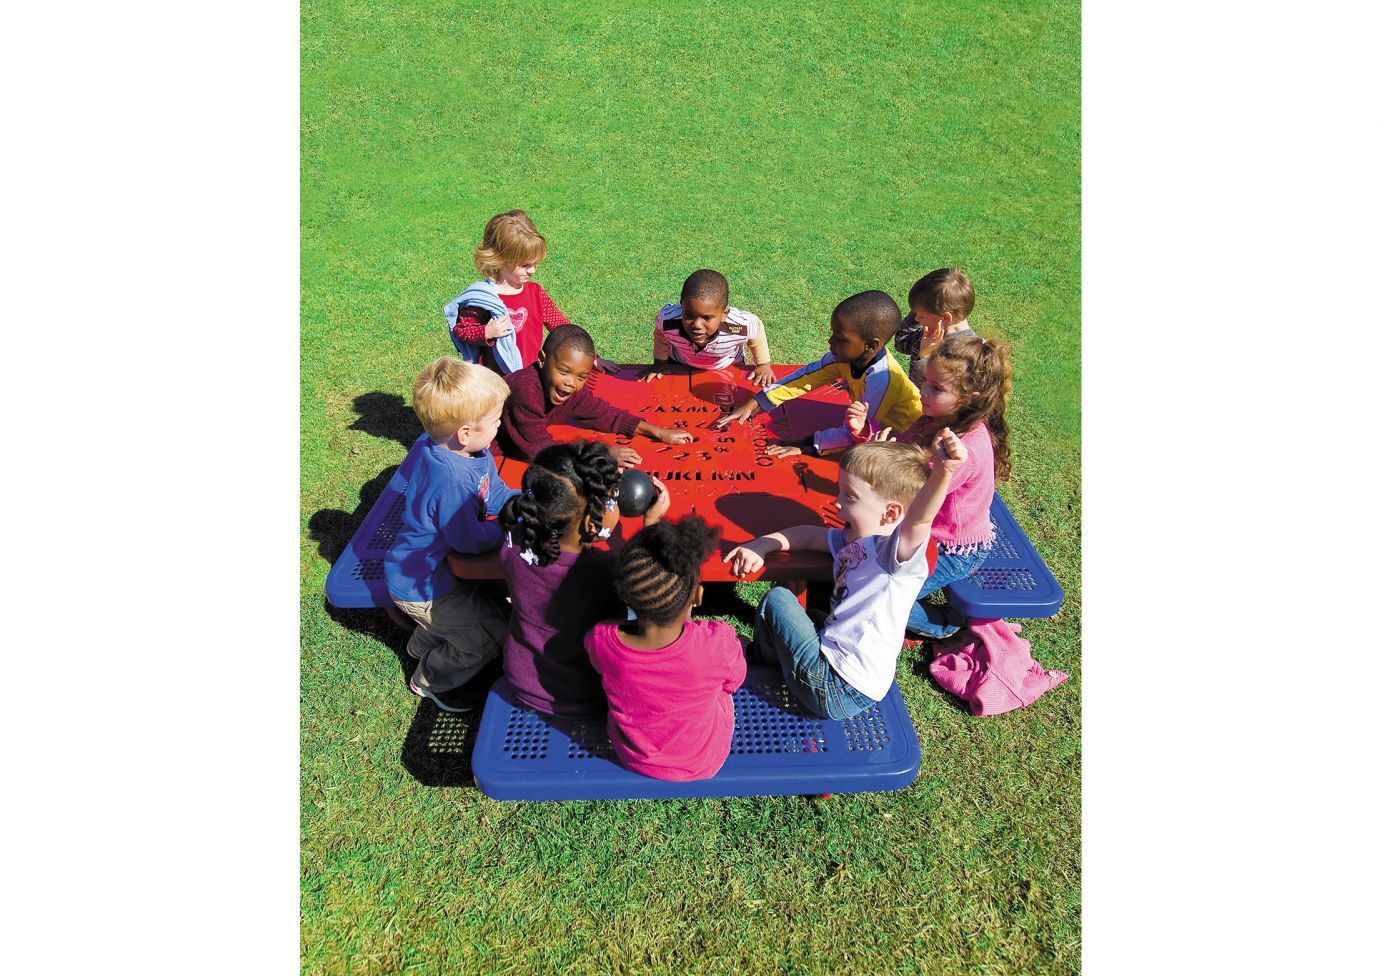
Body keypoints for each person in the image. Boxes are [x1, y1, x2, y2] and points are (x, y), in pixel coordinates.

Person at [723, 434, 967, 719]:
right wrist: (763, 544)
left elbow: (919, 520)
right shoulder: (861, 540)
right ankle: (770, 660)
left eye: (849, 496)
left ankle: (754, 660)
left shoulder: (895, 559)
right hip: (846, 680)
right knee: (813, 615)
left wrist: (943, 471)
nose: (837, 502)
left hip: (836, 685)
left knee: (779, 599)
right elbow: (810, 536)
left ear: (891, 513)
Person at [496, 440, 672, 718]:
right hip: (586, 695)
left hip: (522, 678)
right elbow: (654, 589)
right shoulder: (605, 571)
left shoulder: (513, 540)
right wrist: (652, 526)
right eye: (612, 498)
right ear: (592, 523)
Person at [384, 357, 520, 712]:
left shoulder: (469, 451)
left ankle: (421, 644)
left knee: (480, 613)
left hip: (434, 574)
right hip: (426, 587)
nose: (500, 427)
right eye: (495, 421)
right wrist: (503, 526)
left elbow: (495, 490)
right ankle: (430, 679)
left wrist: (518, 502)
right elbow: (469, 542)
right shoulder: (451, 481)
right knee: (492, 633)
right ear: (464, 432)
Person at [862, 333, 1014, 640]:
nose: (923, 392)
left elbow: (909, 492)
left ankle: (945, 624)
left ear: (969, 397)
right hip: (919, 529)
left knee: (881, 597)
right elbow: (900, 452)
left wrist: (874, 462)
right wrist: (867, 438)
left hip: (951, 547)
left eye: (936, 388)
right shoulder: (938, 416)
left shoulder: (961, 450)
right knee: (858, 570)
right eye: (925, 381)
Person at [585, 515, 746, 781]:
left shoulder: (601, 639)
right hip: (703, 760)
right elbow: (734, 682)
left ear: (625, 595)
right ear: (697, 595)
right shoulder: (718, 643)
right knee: (722, 694)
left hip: (633, 757)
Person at [711, 290, 922, 456]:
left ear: (870, 346)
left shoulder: (880, 380)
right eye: (833, 334)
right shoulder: (844, 357)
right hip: (873, 425)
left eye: (840, 339)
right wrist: (756, 403)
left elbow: (860, 432)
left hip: (904, 440)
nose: (830, 343)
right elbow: (805, 378)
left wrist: (806, 446)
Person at [445, 209, 616, 374]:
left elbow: (562, 327)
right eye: (525, 265)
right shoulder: (484, 298)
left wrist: (592, 357)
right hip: (494, 380)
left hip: (531, 374)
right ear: (500, 259)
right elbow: (462, 331)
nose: (532, 270)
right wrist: (486, 332)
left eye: (535, 263)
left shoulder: (535, 292)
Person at [498, 324, 693, 467]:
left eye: (581, 376)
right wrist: (602, 453)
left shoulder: (570, 391)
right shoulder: (525, 394)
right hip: (481, 452)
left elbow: (606, 414)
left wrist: (657, 431)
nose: (571, 382)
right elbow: (545, 452)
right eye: (564, 371)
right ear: (542, 360)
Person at [639, 269, 775, 387]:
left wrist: (763, 365)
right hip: (679, 362)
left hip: (727, 365)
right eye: (689, 315)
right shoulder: (668, 319)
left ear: (724, 314)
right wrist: (659, 363)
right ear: (681, 305)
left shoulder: (739, 325)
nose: (697, 325)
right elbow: (660, 334)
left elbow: (757, 330)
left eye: (707, 318)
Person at [893, 268, 979, 387]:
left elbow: (936, 389)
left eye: (921, 316)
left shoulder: (967, 352)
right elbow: (902, 343)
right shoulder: (930, 332)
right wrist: (919, 307)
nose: (916, 319)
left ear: (946, 318)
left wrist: (925, 356)